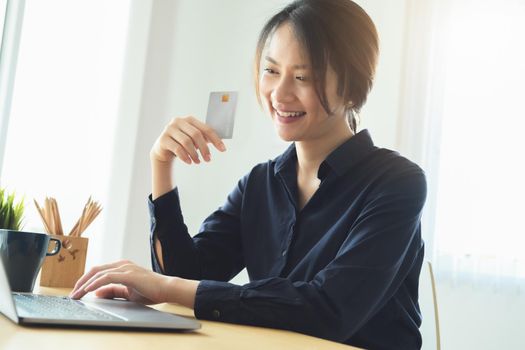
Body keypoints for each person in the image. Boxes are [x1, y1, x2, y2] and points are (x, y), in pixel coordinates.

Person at [70, 0, 427, 348]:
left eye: (302, 76)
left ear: (351, 86)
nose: (279, 94)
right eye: (271, 71)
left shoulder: (397, 183)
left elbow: (328, 310)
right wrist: (160, 164)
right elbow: (187, 276)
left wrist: (165, 288)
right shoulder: (261, 183)